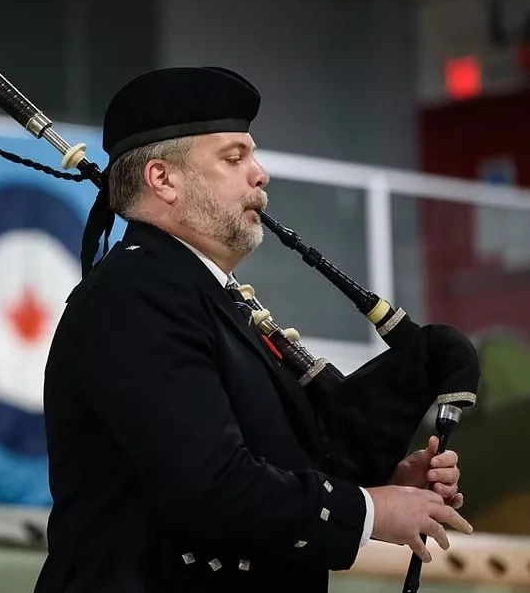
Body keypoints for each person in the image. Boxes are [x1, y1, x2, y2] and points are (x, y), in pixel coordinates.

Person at [32, 67, 472, 593]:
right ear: (162, 180)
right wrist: (371, 510)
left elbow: (265, 466)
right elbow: (209, 482)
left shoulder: (198, 295)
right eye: (233, 158)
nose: (260, 175)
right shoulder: (134, 295)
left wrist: (384, 487)